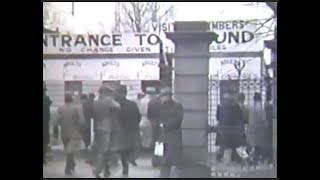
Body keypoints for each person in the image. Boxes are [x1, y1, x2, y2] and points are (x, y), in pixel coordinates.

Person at [92, 83, 122, 178]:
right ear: (105, 92)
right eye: (109, 92)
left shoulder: (96, 101)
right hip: (107, 128)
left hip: (98, 126)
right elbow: (118, 106)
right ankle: (97, 171)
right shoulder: (108, 101)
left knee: (103, 150)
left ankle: (106, 170)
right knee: (104, 151)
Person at [55, 93, 85, 175]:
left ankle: (71, 164)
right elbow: (82, 121)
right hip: (74, 132)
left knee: (69, 150)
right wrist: (81, 129)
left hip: (64, 133)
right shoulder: (77, 108)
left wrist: (55, 133)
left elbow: (56, 122)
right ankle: (68, 168)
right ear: (71, 99)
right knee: (70, 151)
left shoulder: (60, 108)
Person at [115, 85, 142, 174]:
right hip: (130, 129)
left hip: (122, 130)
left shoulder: (116, 104)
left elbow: (115, 118)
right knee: (129, 148)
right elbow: (138, 117)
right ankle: (126, 163)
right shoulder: (132, 104)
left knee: (123, 149)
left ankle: (125, 165)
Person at [158, 87, 184, 178]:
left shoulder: (177, 106)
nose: (161, 98)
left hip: (174, 135)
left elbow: (178, 119)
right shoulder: (161, 106)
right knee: (163, 160)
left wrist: (165, 125)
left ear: (168, 96)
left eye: (163, 96)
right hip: (163, 136)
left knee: (174, 160)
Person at [216, 90, 246, 164]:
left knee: (225, 144)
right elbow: (239, 117)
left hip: (224, 128)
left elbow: (218, 117)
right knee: (234, 144)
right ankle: (237, 158)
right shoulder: (236, 106)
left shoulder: (220, 106)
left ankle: (221, 157)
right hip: (233, 128)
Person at [247, 92, 268, 166]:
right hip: (258, 129)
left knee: (250, 145)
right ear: (260, 99)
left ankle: (249, 159)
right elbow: (264, 119)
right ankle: (254, 161)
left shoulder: (249, 106)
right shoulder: (261, 108)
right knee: (258, 146)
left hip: (250, 128)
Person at [147, 91, 162, 167]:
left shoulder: (151, 102)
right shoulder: (161, 103)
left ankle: (155, 160)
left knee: (155, 141)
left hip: (154, 123)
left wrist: (152, 121)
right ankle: (158, 160)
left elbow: (149, 114)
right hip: (161, 124)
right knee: (160, 142)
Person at [43, 82, 52, 165]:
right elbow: (50, 103)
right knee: (45, 141)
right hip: (45, 123)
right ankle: (44, 158)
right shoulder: (46, 98)